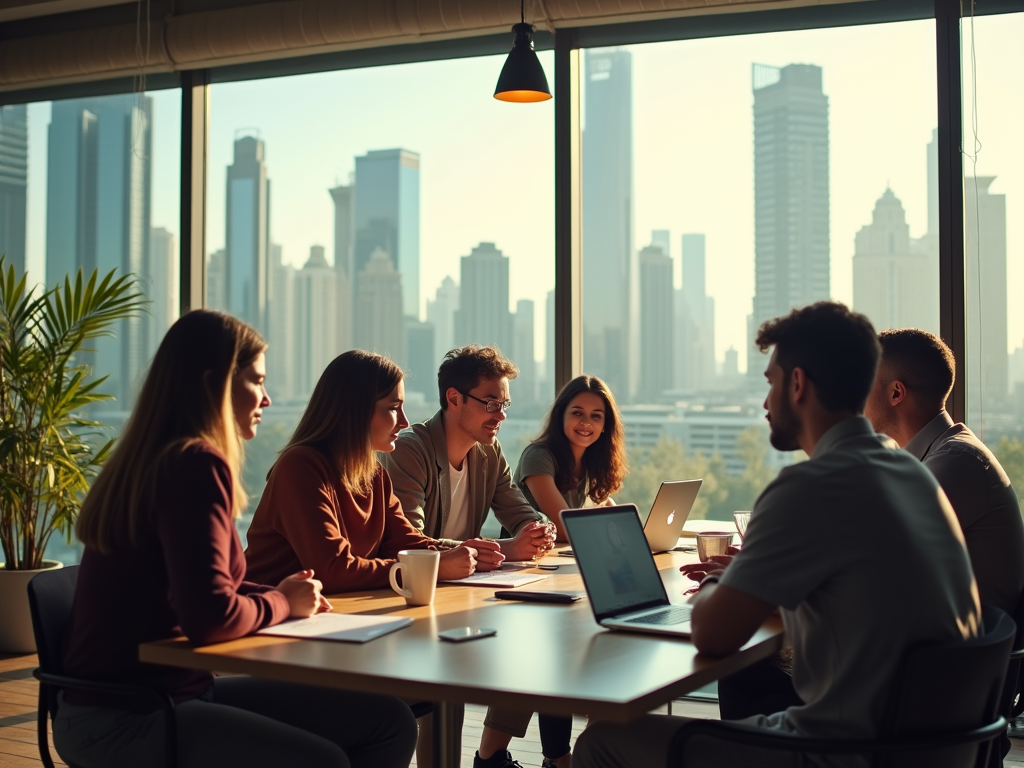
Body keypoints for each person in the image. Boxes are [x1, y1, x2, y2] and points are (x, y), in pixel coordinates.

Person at [574, 301, 980, 768]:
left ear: (798, 383)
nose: (766, 403)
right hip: (931, 751)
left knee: (601, 741)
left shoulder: (808, 487)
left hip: (840, 754)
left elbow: (712, 634)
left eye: (770, 383)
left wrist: (715, 582)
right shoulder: (913, 477)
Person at [58, 311, 417, 768]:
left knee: (389, 720)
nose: (267, 399)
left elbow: (208, 588)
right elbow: (211, 616)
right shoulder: (195, 466)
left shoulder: (161, 459)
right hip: (126, 714)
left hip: (178, 691)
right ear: (215, 385)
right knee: (321, 759)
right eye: (257, 382)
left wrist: (276, 593)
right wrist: (284, 602)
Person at [245, 349, 503, 593]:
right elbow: (333, 570)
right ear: (356, 410)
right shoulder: (300, 466)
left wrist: (472, 552)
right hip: (272, 623)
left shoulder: (374, 474)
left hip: (333, 617)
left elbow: (406, 542)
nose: (404, 421)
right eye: (393, 408)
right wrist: (434, 567)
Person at [475, 375, 628, 768]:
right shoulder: (539, 456)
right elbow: (565, 525)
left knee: (581, 651)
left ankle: (560, 758)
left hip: (565, 574)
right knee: (536, 656)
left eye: (597, 416)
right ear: (561, 415)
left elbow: (600, 516)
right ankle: (491, 757)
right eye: (577, 412)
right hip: (525, 576)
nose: (586, 423)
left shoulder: (593, 461)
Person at [865, 328, 1024, 614]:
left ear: (896, 393)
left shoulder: (957, 462)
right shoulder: (933, 457)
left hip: (956, 655)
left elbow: (873, 557)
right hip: (930, 643)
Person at [381, 344, 555, 561]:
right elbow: (410, 545)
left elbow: (519, 512)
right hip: (416, 586)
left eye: (504, 404)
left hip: (467, 582)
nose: (501, 416)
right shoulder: (409, 451)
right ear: (454, 398)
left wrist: (538, 532)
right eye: (491, 404)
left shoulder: (490, 452)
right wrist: (506, 549)